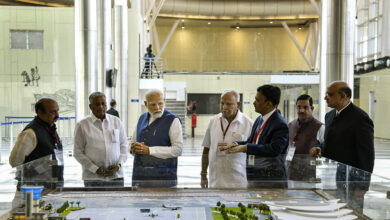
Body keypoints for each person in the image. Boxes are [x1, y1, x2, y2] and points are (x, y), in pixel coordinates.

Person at [310, 81, 374, 213]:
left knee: (353, 213)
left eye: (329, 94)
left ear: (343, 96)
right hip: (337, 177)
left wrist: (362, 187)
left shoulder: (360, 118)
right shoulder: (330, 116)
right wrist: (320, 149)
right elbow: (332, 142)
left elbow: (366, 155)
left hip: (354, 181)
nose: (325, 97)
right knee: (337, 212)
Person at [222, 85, 289, 188]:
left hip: (272, 181)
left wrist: (246, 147)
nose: (253, 102)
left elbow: (274, 149)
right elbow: (252, 142)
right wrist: (237, 145)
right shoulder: (259, 120)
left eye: (257, 100)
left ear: (268, 104)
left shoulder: (280, 124)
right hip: (256, 176)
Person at [74, 92, 128, 187]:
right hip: (93, 178)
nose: (101, 107)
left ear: (107, 105)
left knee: (118, 202)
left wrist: (118, 165)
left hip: (116, 176)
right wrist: (95, 169)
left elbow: (124, 147)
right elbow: (77, 152)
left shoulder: (117, 122)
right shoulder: (82, 125)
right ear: (91, 106)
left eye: (103, 104)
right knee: (93, 202)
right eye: (97, 104)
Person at [201, 90, 253, 188]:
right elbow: (206, 149)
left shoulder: (248, 124)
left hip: (238, 182)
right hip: (215, 181)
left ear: (238, 104)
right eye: (222, 103)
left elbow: (253, 153)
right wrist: (203, 174)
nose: (224, 107)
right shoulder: (213, 121)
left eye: (229, 104)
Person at [131, 89, 183, 187]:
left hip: (163, 179)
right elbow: (133, 142)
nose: (157, 108)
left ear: (164, 101)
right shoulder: (141, 118)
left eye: (160, 103)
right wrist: (133, 148)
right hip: (140, 178)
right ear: (146, 104)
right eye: (153, 104)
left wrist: (149, 150)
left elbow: (178, 150)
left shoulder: (173, 120)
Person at [9, 98, 63, 189]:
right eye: (53, 112)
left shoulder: (51, 128)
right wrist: (40, 168)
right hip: (33, 189)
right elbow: (14, 161)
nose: (57, 115)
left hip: (51, 186)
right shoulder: (30, 133)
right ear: (40, 113)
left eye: (57, 111)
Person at [287, 94, 324, 183]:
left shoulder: (319, 127)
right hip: (290, 174)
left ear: (312, 108)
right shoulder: (290, 125)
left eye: (305, 107)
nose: (301, 110)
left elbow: (325, 149)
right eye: (299, 107)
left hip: (309, 176)